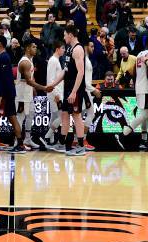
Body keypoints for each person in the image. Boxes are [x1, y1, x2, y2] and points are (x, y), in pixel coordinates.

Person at [48, 25, 87, 156]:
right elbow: (65, 72)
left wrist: (74, 91)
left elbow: (81, 73)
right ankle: (62, 143)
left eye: (65, 35)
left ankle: (81, 146)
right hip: (68, 87)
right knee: (65, 114)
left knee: (76, 115)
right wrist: (53, 84)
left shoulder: (78, 49)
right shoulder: (69, 49)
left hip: (75, 88)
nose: (64, 37)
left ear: (70, 35)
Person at [16, 40, 52, 150]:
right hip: (22, 93)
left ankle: (27, 139)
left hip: (28, 92)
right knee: (20, 117)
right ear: (27, 48)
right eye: (34, 46)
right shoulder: (25, 62)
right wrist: (44, 88)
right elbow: (29, 81)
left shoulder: (30, 60)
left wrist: (33, 90)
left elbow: (31, 79)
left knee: (31, 114)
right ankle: (17, 142)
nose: (36, 48)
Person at [121, 42, 148, 151]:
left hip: (139, 87)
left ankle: (144, 140)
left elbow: (134, 73)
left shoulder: (138, 55)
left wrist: (136, 86)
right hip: (145, 88)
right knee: (144, 115)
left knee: (145, 114)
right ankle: (124, 133)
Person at [45, 39, 65, 150]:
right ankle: (47, 137)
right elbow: (50, 79)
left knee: (54, 117)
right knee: (62, 117)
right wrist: (56, 94)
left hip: (56, 92)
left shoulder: (56, 60)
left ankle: (50, 139)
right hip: (55, 93)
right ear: (57, 49)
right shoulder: (53, 60)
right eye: (63, 48)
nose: (64, 50)